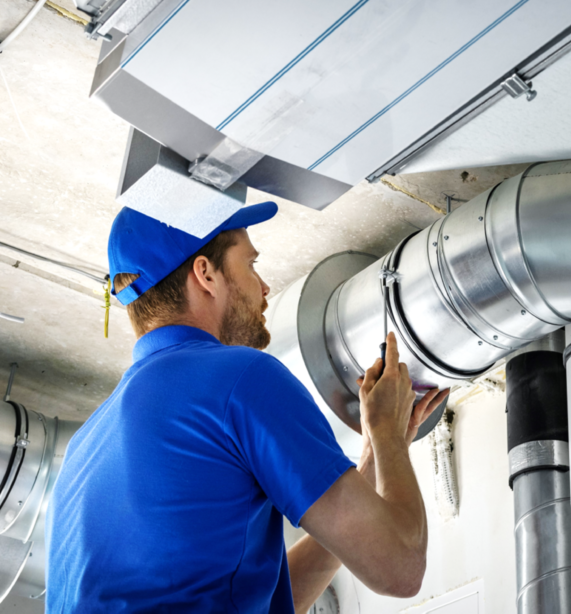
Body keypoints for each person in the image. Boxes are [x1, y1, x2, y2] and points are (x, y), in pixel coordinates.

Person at [47, 202, 448, 613]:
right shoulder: (239, 379)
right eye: (250, 264)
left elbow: (251, 599)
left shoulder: (82, 450)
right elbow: (400, 568)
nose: (264, 287)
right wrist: (386, 435)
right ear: (205, 274)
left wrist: (372, 464)